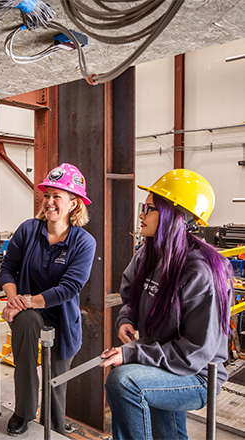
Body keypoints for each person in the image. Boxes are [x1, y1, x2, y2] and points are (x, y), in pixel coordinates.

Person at [100, 169, 233, 440]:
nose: (141, 215)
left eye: (148, 209)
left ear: (174, 216)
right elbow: (131, 296)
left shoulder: (200, 272)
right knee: (168, 434)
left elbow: (194, 352)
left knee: (124, 381)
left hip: (196, 374)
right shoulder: (149, 254)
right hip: (163, 358)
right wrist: (127, 318)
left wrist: (134, 353)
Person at [0, 163, 96, 436]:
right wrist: (14, 299)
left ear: (74, 204)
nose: (50, 202)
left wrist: (26, 301)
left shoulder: (83, 242)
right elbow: (8, 269)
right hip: (28, 312)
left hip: (62, 318)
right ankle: (24, 412)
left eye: (58, 196)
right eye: (47, 195)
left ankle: (53, 424)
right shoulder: (29, 230)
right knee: (27, 333)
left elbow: (70, 287)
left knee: (56, 379)